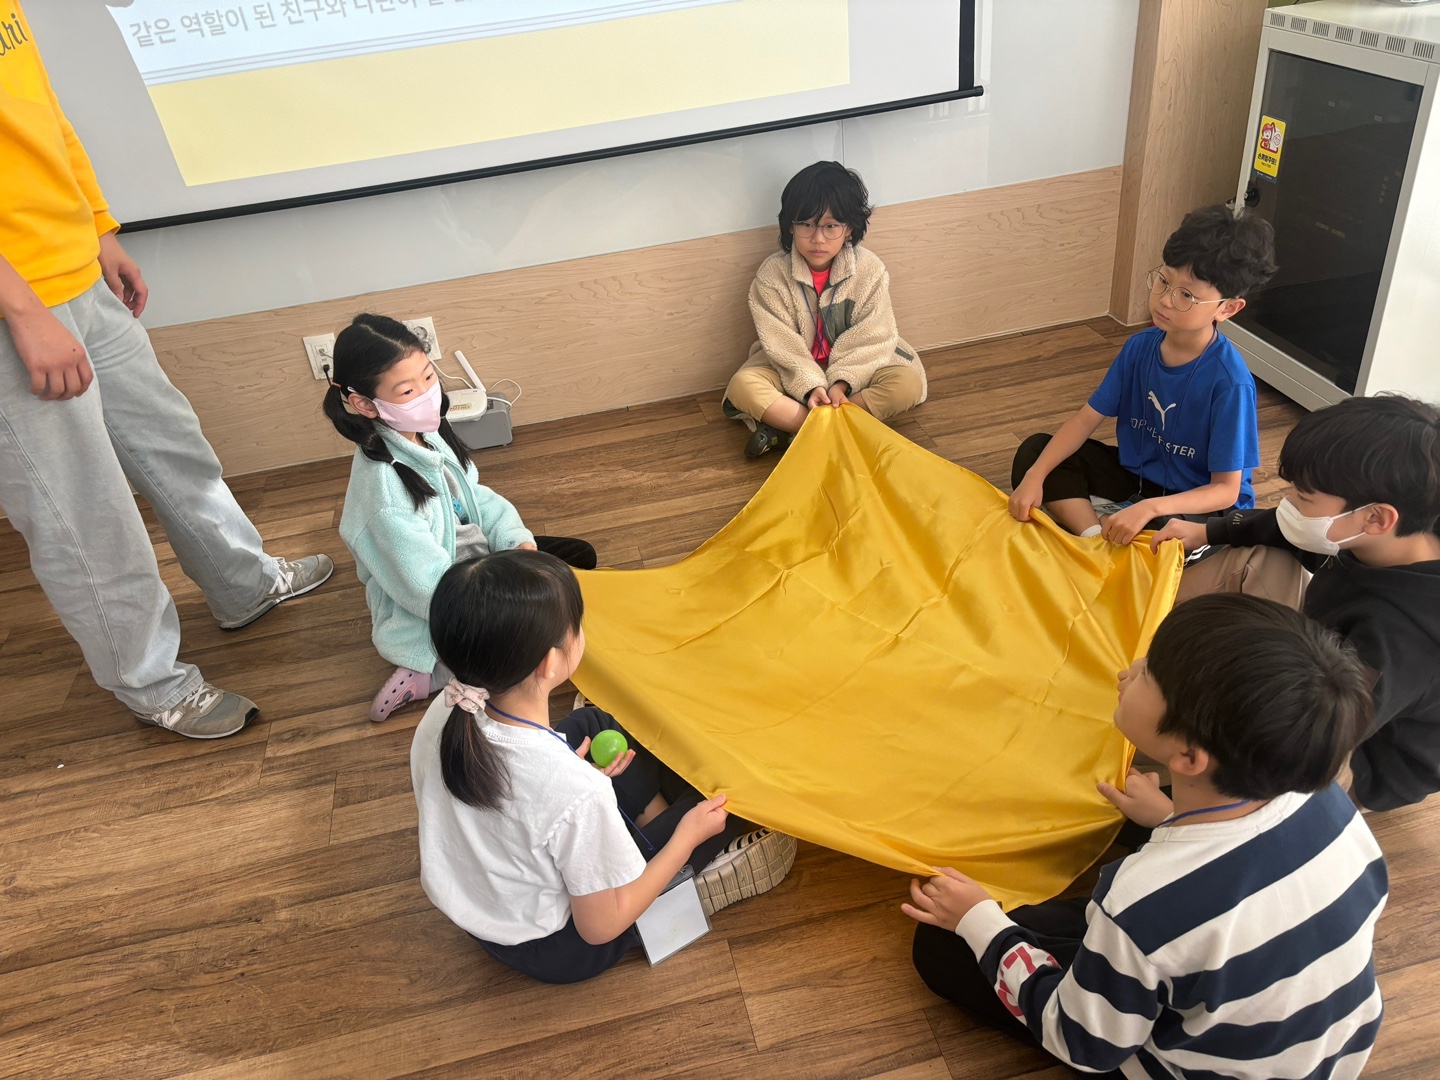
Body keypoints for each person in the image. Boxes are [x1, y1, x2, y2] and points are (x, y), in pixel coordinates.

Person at [0, 0, 332, 739]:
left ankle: (243, 583)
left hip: (73, 273)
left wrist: (99, 228)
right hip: (14, 309)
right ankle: (153, 683)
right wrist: (21, 310)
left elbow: (44, 118)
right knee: (84, 513)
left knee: (171, 444)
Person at [905, 595, 1386, 1078]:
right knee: (1112, 925)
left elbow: (1082, 1042)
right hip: (1310, 1048)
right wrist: (1167, 816)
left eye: (1149, 674)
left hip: (1187, 1065)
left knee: (942, 945)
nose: (1131, 668)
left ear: (1189, 758)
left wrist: (978, 921)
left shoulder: (1142, 900)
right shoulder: (1331, 803)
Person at [410, 550, 798, 983]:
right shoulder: (574, 791)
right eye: (576, 625)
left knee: (589, 724)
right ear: (550, 663)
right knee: (728, 799)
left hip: (489, 908)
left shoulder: (447, 713)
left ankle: (646, 824)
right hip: (561, 947)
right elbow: (600, 928)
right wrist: (686, 838)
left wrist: (573, 798)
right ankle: (673, 865)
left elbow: (516, 801)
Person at [1153, 394, 1440, 811]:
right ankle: (1140, 639)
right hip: (1324, 650)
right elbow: (1289, 527)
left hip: (1351, 754)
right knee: (1258, 558)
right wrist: (1210, 531)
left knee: (1245, 761)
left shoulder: (1400, 639)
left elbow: (1306, 739)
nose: (1289, 505)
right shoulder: (1391, 533)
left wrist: (1172, 812)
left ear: (1377, 518)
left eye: (1303, 498)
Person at [326, 314, 597, 723]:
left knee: (578, 557)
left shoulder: (427, 435)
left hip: (473, 561)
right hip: (448, 600)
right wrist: (511, 588)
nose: (427, 394)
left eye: (428, 377)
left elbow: (477, 498)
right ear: (364, 404)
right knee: (544, 617)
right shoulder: (383, 496)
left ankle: (468, 656)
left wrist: (516, 542)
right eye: (407, 390)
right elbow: (429, 591)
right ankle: (436, 671)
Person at [1009, 205, 1276, 545]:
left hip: (1196, 502)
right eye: (1163, 281)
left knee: (1171, 531)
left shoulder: (1230, 382)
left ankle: (1110, 527)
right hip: (1138, 481)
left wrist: (1150, 508)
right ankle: (1095, 539)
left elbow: (1225, 490)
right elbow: (1085, 420)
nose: (1165, 300)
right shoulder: (1140, 347)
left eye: (1186, 295)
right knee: (1036, 453)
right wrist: (1035, 476)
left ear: (1227, 308)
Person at [721, 161, 926, 458]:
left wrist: (842, 383)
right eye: (806, 224)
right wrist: (810, 387)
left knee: (907, 384)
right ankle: (838, 428)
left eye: (830, 226)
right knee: (743, 386)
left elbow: (873, 336)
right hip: (794, 372)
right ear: (790, 226)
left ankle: (794, 431)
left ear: (849, 228)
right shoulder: (772, 276)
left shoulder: (869, 270)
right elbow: (781, 345)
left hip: (857, 373)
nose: (817, 238)